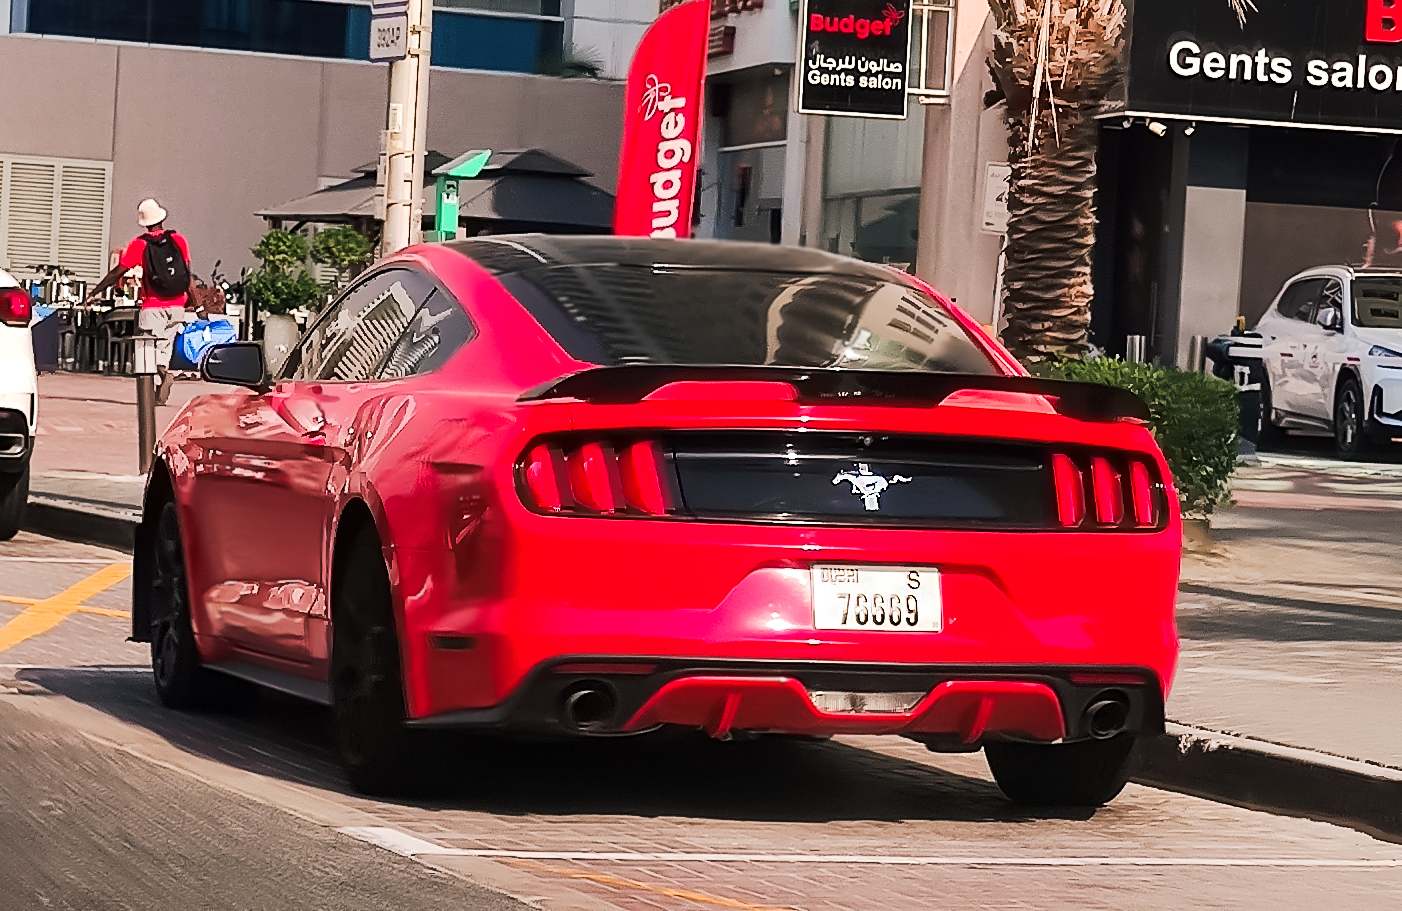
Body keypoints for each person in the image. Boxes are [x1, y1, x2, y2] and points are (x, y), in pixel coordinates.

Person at [86, 199, 195, 404]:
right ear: (162, 218)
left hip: (152, 306)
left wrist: (96, 291)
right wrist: (196, 303)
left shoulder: (140, 244)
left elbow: (117, 272)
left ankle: (160, 378)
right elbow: (187, 274)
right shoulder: (179, 240)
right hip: (177, 305)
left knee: (147, 350)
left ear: (144, 222)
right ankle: (162, 380)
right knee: (164, 347)